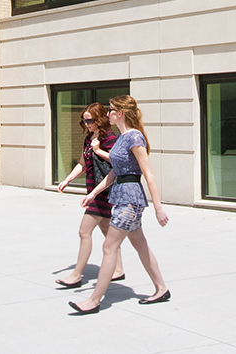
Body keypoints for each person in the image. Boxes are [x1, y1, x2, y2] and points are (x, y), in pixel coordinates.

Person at [69, 95, 170, 313]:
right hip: (120, 196)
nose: (108, 114)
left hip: (131, 200)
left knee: (109, 246)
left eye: (111, 110)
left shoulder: (135, 138)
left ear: (120, 113)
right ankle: (161, 288)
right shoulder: (123, 137)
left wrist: (158, 207)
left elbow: (148, 173)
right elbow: (116, 171)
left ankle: (94, 300)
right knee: (140, 245)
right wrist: (93, 194)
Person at [54, 103, 126, 289]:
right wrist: (67, 180)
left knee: (84, 231)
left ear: (100, 119)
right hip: (93, 190)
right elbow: (82, 164)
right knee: (107, 232)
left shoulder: (110, 138)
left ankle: (77, 275)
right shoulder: (89, 138)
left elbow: (118, 162)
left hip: (105, 192)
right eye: (84, 120)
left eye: (90, 120)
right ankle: (118, 270)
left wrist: (98, 150)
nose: (87, 124)